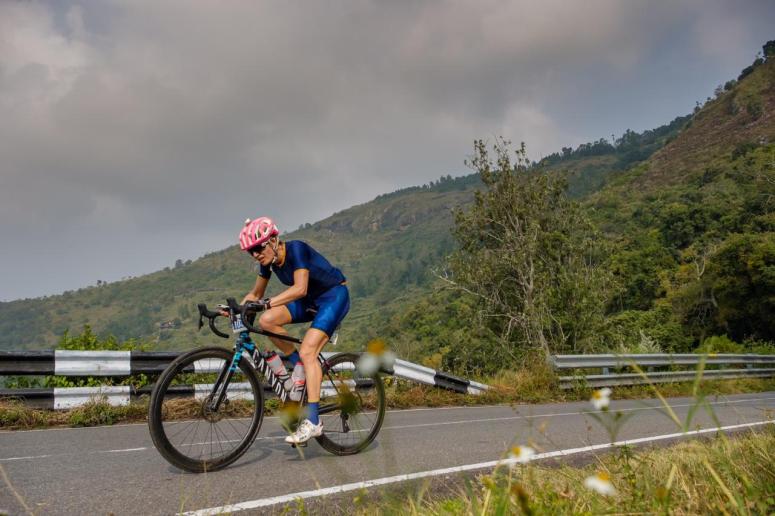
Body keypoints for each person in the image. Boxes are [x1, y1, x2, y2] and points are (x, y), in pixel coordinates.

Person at [238, 216, 350, 444]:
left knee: (309, 352)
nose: (256, 254)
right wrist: (235, 309)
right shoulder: (267, 262)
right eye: (251, 251)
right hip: (310, 301)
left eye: (258, 248)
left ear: (273, 240)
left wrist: (266, 303)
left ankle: (314, 421)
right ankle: (299, 369)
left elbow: (300, 289)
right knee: (267, 321)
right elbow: (256, 294)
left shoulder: (297, 249)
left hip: (333, 297)